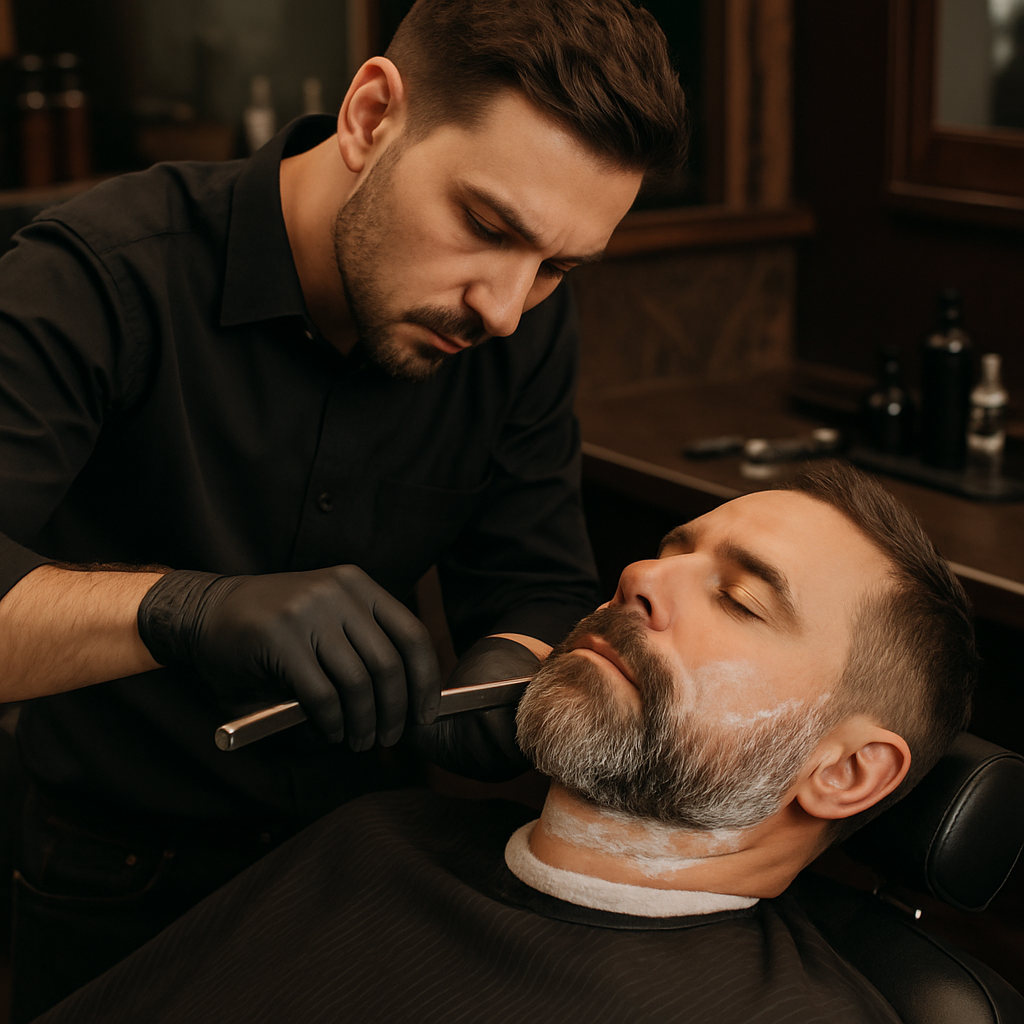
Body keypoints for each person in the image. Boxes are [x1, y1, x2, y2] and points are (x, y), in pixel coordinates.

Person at [0, 1, 689, 1018]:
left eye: (554, 268)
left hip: (363, 854)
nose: (503, 308)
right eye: (488, 226)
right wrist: (184, 611)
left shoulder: (517, 328)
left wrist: (513, 665)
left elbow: (536, 581)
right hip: (112, 866)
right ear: (371, 115)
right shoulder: (98, 278)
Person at [29, 463, 979, 1024]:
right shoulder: (375, 839)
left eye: (738, 597)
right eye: (670, 547)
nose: (642, 573)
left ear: (848, 772)